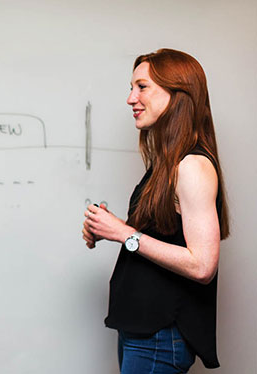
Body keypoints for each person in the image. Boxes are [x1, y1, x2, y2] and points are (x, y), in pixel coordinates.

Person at [82, 49, 229, 373]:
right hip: (144, 333)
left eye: (142, 87)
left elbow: (203, 265)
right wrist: (111, 229)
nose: (130, 98)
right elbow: (163, 237)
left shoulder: (192, 166)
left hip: (160, 337)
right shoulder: (166, 165)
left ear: (178, 94)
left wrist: (125, 234)